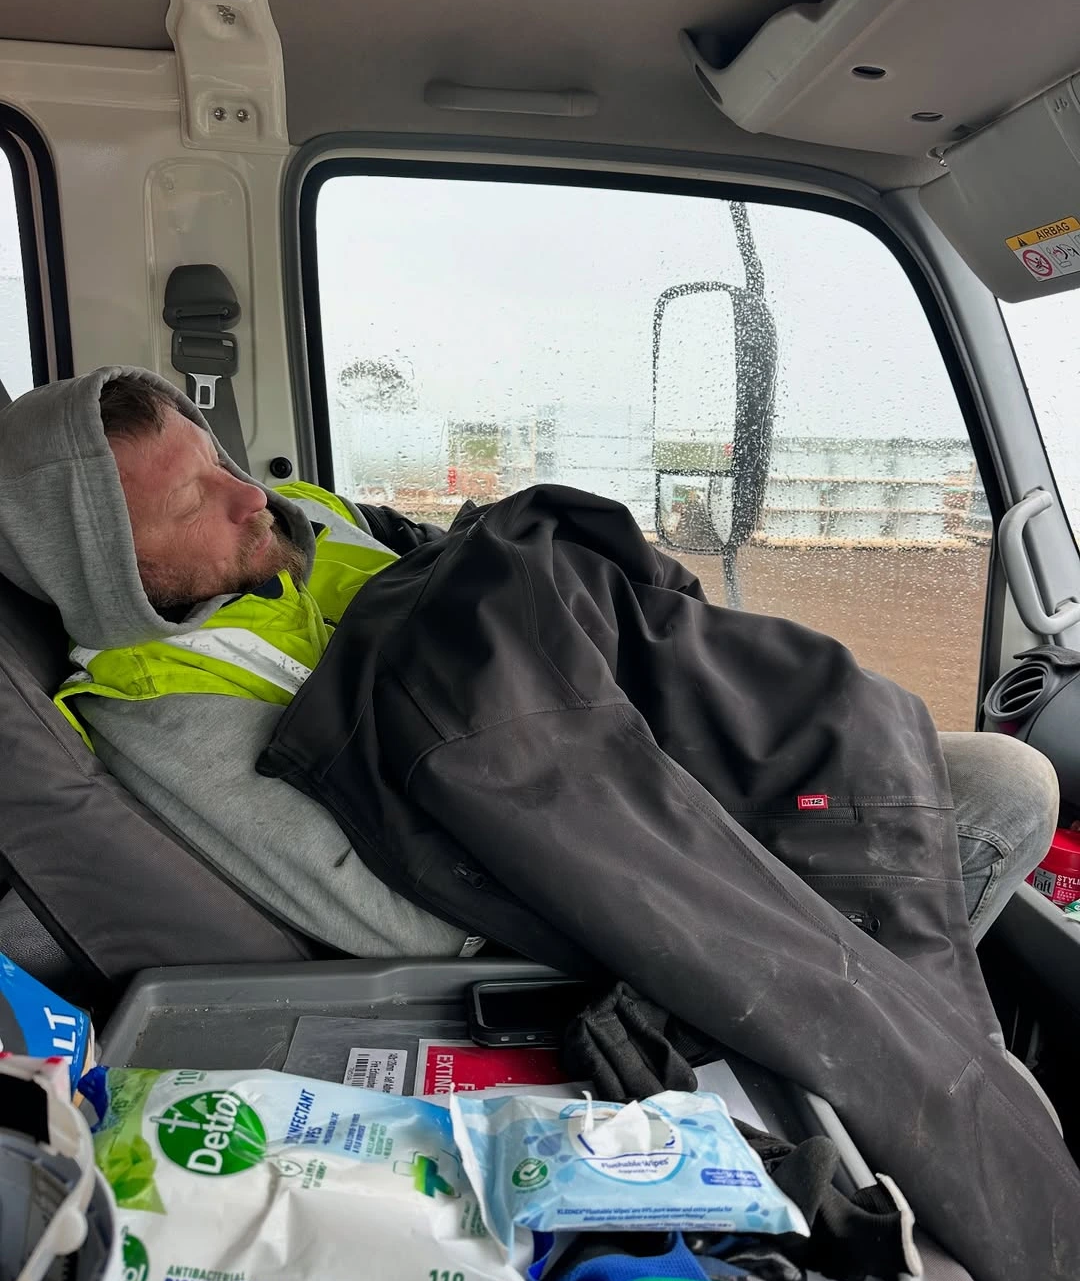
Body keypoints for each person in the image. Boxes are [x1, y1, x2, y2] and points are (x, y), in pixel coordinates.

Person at [0, 367, 1058, 956]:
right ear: (105, 569)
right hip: (612, 847)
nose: (251, 495)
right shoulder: (160, 706)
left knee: (872, 722)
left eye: (220, 464)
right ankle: (881, 1018)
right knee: (1001, 788)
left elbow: (480, 577)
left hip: (638, 733)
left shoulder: (295, 521)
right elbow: (400, 922)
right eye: (194, 501)